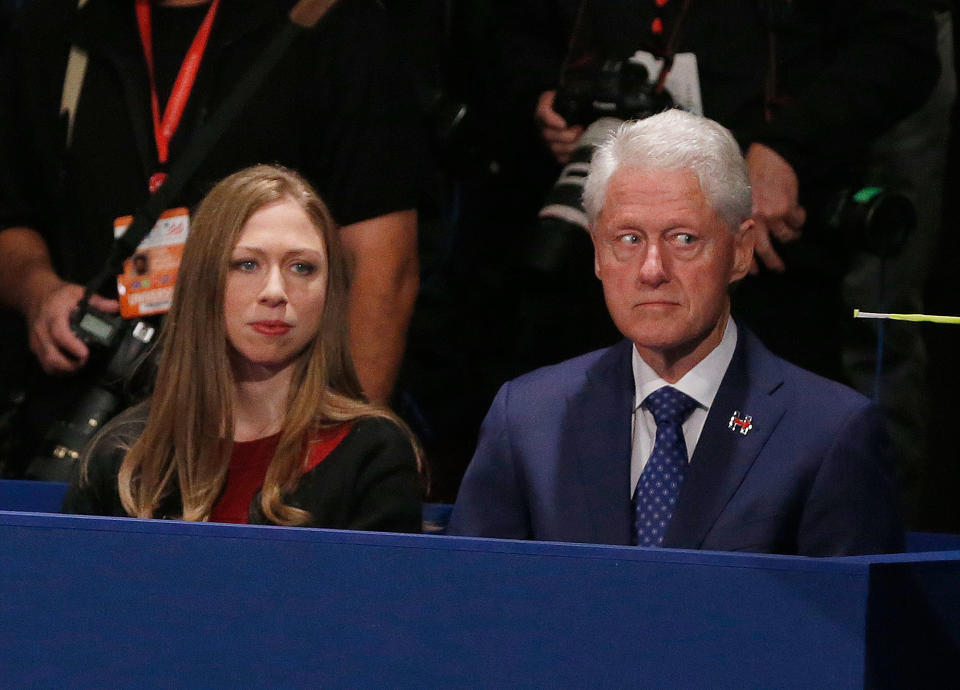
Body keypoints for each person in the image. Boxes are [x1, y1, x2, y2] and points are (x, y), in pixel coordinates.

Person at [447, 110, 903, 556]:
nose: (652, 270)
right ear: (597, 256)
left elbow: (854, 627)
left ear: (740, 252)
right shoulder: (528, 418)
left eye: (683, 238)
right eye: (628, 239)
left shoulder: (828, 432)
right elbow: (470, 608)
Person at [0, 0, 420, 474]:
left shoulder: (330, 22)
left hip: (271, 412)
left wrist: (338, 456)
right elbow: (11, 210)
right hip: (82, 395)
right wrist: (39, 291)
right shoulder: (52, 22)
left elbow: (383, 263)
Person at [62, 165, 422, 530]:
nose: (275, 292)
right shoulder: (123, 456)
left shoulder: (373, 455)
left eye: (302, 267)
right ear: (203, 282)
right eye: (247, 264)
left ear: (330, 292)